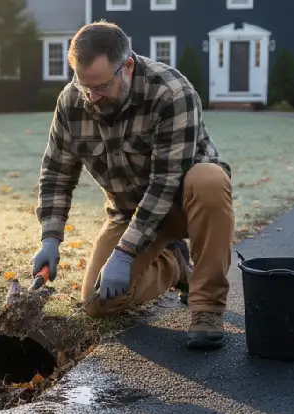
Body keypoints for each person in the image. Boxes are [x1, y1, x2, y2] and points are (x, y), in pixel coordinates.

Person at [31, 20, 235, 350]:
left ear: (126, 66)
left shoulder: (171, 92)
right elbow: (56, 173)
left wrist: (125, 253)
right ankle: (175, 266)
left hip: (184, 204)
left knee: (209, 179)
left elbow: (166, 182)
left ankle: (207, 306)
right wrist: (50, 237)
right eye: (85, 86)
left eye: (100, 86)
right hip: (128, 213)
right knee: (98, 303)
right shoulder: (72, 101)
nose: (92, 97)